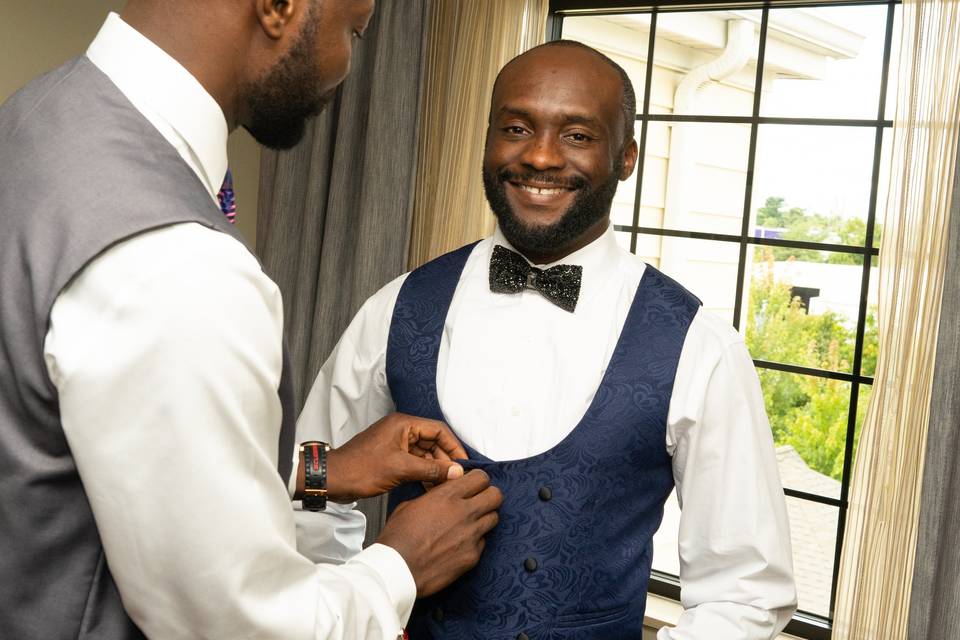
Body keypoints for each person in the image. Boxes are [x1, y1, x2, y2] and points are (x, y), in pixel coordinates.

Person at [0, 1, 502, 638]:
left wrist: (320, 472)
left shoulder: (40, 115)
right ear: (278, 7)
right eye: (354, 32)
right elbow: (240, 625)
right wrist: (398, 565)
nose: (348, 64)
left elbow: (103, 437)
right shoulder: (175, 262)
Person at [296, 40, 798, 639]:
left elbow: (745, 591)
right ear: (486, 140)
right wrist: (348, 612)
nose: (539, 156)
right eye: (516, 127)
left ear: (627, 157)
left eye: (577, 135)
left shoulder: (697, 345)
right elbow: (306, 479)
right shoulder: (396, 306)